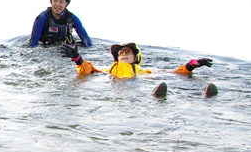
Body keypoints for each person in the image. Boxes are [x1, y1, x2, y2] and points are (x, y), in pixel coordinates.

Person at [62, 42, 217, 97]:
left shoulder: (143, 71)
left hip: (139, 85)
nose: (123, 54)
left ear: (136, 57)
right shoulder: (110, 69)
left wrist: (191, 65)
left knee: (163, 85)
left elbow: (174, 74)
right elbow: (87, 70)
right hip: (116, 89)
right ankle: (157, 97)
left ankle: (204, 95)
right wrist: (77, 58)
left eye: (127, 52)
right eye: (120, 53)